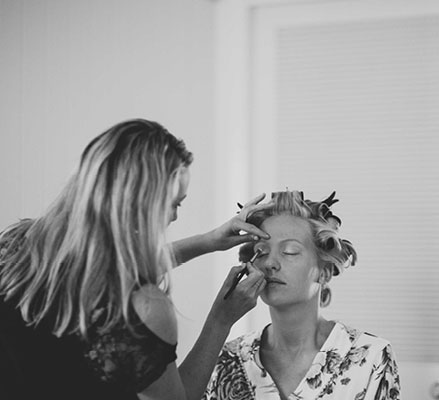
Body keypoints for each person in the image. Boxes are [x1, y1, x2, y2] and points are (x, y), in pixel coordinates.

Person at [0, 118, 271, 400]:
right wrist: (220, 319)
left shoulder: (17, 249)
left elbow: (103, 269)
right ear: (143, 203)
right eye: (174, 204)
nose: (175, 216)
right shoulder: (142, 311)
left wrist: (207, 241)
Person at [204, 191, 401, 400]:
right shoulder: (227, 358)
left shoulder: (371, 357)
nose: (270, 263)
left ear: (324, 272)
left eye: (289, 251)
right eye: (261, 252)